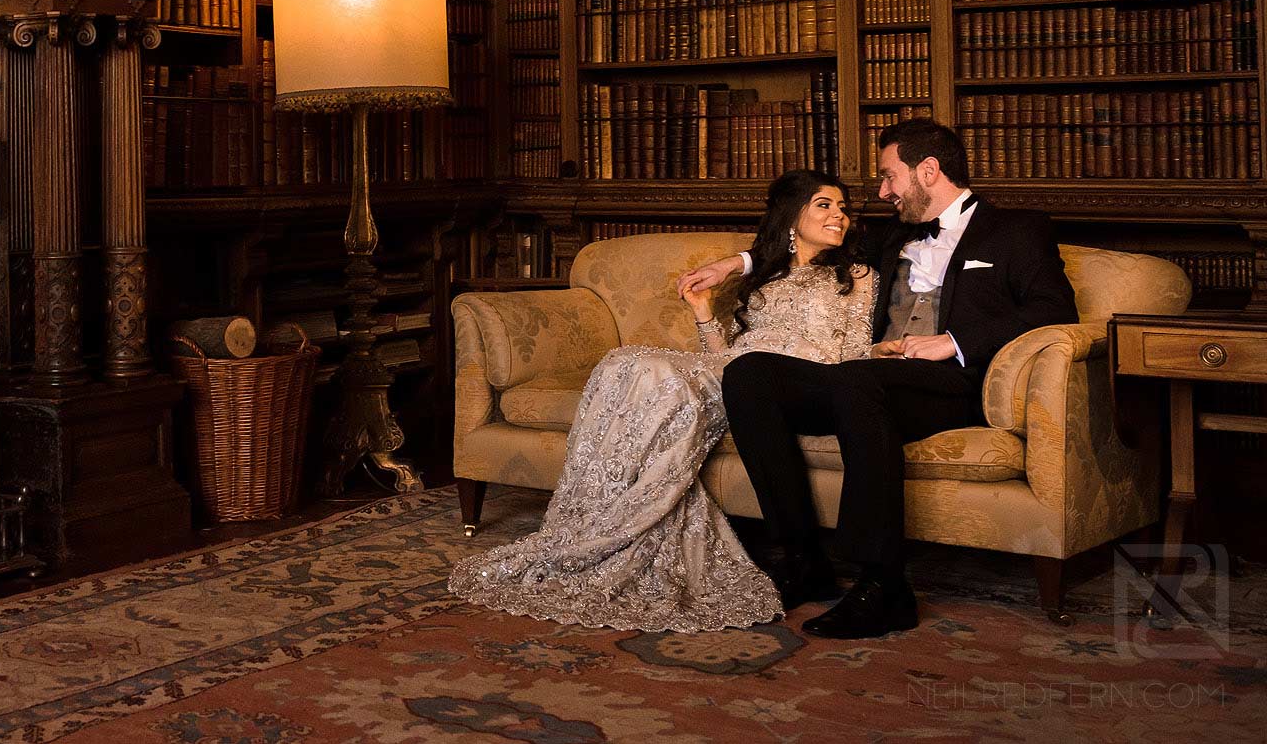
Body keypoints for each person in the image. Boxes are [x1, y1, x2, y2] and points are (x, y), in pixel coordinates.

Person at [681, 118, 1076, 639]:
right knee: (750, 373)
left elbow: (1056, 308)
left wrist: (953, 343)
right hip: (870, 383)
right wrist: (735, 263)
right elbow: (808, 241)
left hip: (954, 385)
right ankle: (803, 559)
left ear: (928, 171)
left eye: (890, 177)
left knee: (855, 380)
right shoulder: (890, 238)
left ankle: (884, 587)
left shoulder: (1017, 230)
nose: (883, 191)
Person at [450, 170, 877, 632]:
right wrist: (703, 313)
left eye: (842, 208)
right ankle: (591, 520)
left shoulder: (855, 275)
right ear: (793, 217)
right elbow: (725, 356)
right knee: (625, 363)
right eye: (824, 205)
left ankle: (616, 528)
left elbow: (852, 351)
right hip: (738, 375)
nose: (839, 216)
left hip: (797, 379)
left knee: (659, 373)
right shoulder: (766, 278)